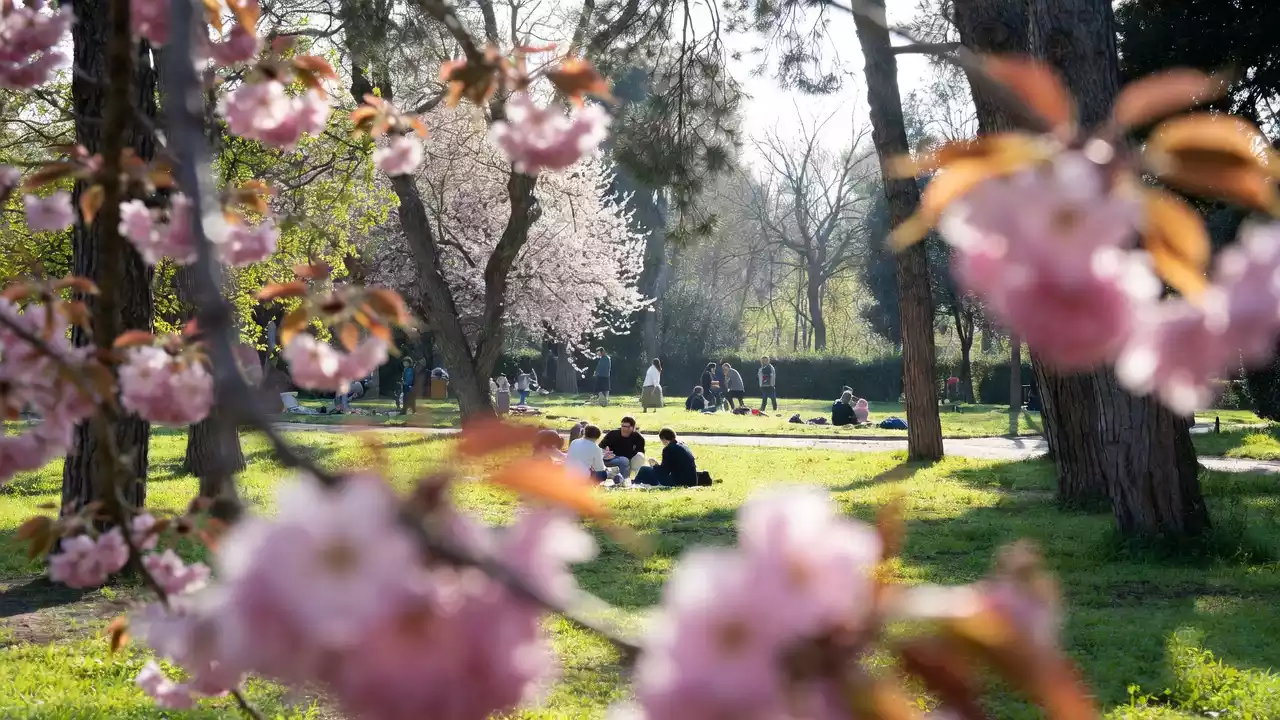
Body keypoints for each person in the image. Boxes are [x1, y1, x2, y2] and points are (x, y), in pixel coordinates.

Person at [600, 416, 646, 481]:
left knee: (638, 456)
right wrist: (606, 453)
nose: (625, 429)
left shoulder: (638, 437)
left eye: (627, 427)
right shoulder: (612, 434)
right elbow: (601, 447)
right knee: (624, 460)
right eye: (623, 426)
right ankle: (623, 480)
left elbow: (640, 452)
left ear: (633, 428)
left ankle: (630, 478)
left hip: (629, 459)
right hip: (612, 458)